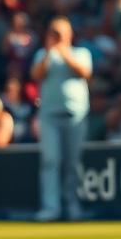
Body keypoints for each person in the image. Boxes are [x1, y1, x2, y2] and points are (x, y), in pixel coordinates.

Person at [30, 17, 92, 221]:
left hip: (76, 115)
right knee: (50, 161)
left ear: (69, 34)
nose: (56, 37)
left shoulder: (80, 53)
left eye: (60, 33)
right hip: (49, 116)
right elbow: (36, 74)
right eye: (53, 32)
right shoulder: (43, 54)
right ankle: (51, 207)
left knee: (73, 163)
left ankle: (71, 205)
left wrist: (63, 51)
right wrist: (49, 51)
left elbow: (84, 72)